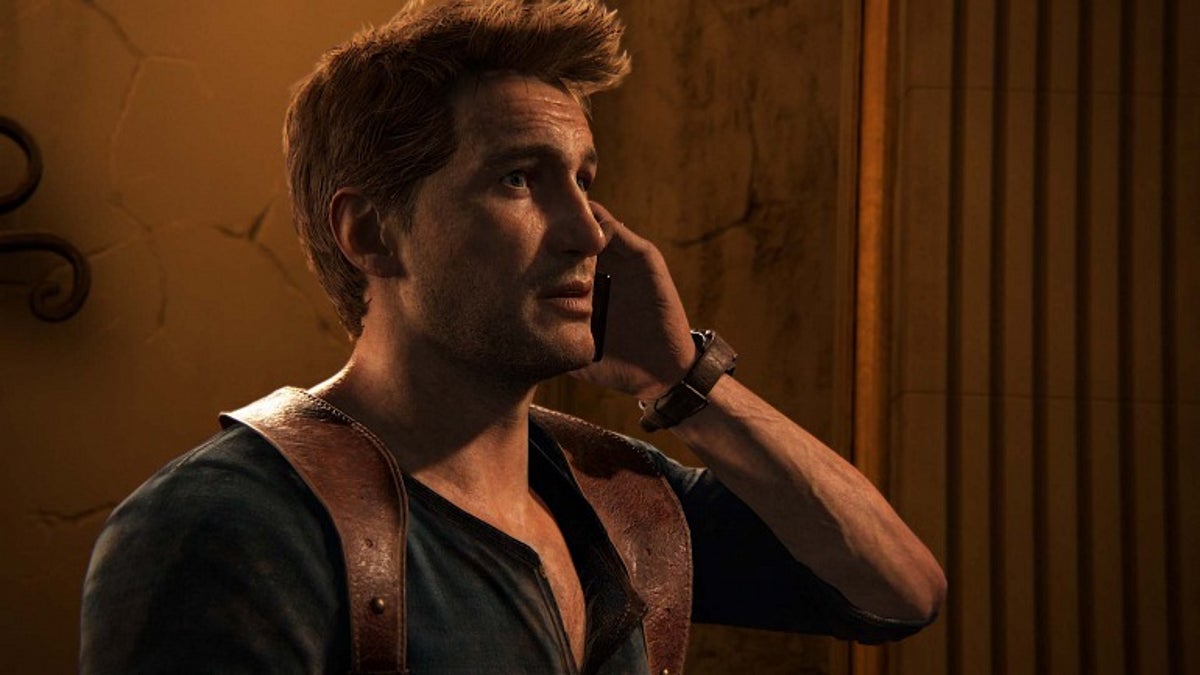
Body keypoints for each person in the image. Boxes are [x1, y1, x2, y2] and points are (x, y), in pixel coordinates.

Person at [80, 1, 945, 673]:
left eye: (585, 180)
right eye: (519, 178)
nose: (589, 230)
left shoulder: (620, 502)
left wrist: (681, 376)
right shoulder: (231, 524)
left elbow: (901, 590)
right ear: (372, 234)